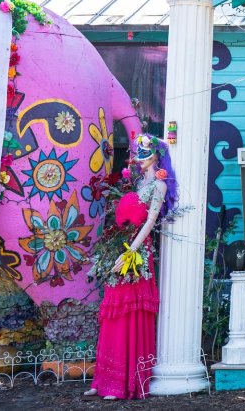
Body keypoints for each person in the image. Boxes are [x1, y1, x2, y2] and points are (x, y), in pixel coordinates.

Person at [86, 133, 177, 400]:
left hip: (136, 251)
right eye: (139, 154)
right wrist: (119, 245)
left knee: (129, 311)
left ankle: (123, 382)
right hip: (121, 244)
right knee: (114, 311)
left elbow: (150, 221)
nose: (141, 158)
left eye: (145, 153)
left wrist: (131, 251)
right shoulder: (137, 182)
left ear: (156, 155)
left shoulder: (159, 186)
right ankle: (104, 379)